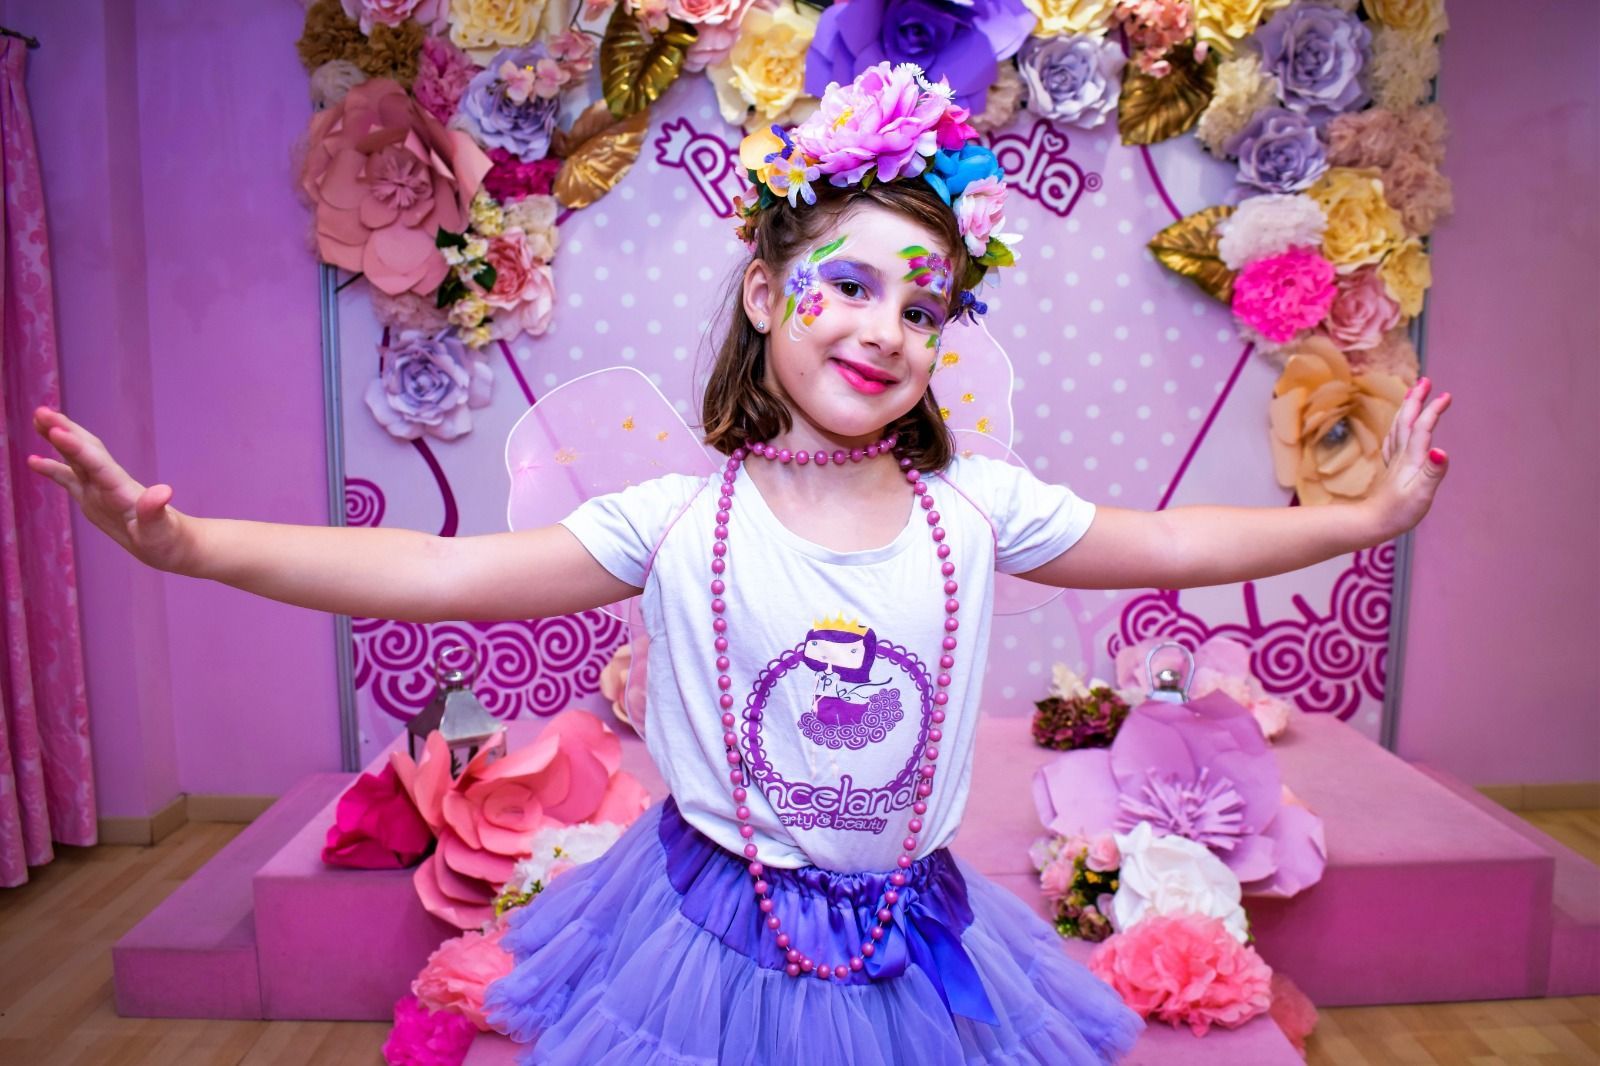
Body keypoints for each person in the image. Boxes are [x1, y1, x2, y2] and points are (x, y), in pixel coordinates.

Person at [28, 62, 1450, 1065]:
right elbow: (429, 572)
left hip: (910, 923)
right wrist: (188, 542)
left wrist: (1358, 521)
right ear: (770, 293)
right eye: (848, 282)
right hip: (706, 930)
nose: (887, 324)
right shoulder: (672, 518)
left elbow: (1180, 537)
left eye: (924, 301)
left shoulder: (979, 506)